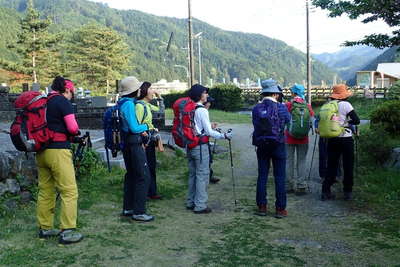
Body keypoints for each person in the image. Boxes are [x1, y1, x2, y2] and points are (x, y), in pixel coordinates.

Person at [36, 76, 83, 244]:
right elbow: (72, 127)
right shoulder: (63, 102)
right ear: (67, 89)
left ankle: (45, 228)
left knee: (45, 190)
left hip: (41, 151)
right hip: (58, 151)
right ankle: (67, 230)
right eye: (73, 90)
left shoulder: (44, 101)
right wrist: (76, 134)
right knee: (69, 191)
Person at [186, 84, 232, 214]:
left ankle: (190, 201)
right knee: (202, 175)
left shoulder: (190, 108)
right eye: (205, 93)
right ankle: (200, 205)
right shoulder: (202, 110)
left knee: (192, 175)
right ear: (200, 95)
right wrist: (224, 136)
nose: (206, 95)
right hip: (200, 147)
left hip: (190, 144)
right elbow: (208, 132)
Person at [253, 79, 290, 218]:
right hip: (278, 144)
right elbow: (288, 120)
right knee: (279, 177)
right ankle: (280, 209)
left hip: (261, 146)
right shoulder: (281, 107)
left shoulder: (256, 108)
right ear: (275, 94)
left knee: (262, 175)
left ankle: (262, 206)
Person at [119, 76, 154, 222]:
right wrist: (148, 127)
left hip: (127, 143)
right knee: (143, 176)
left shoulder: (122, 103)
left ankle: (129, 208)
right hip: (134, 142)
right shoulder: (128, 105)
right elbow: (134, 127)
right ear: (135, 90)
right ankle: (139, 212)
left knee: (132, 175)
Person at [321, 84, 360, 201]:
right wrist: (346, 123)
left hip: (332, 138)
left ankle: (325, 191)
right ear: (343, 95)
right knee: (348, 165)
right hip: (346, 139)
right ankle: (347, 192)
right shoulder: (346, 105)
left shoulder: (328, 105)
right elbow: (356, 120)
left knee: (331, 165)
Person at [285, 84, 315, 195]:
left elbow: (283, 119)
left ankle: (289, 186)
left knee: (289, 161)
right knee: (301, 161)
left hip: (289, 137)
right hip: (304, 139)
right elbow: (313, 121)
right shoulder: (308, 106)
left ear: (294, 93)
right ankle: (301, 186)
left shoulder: (288, 105)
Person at [136, 81, 163, 200]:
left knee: (151, 165)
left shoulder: (147, 105)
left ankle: (152, 192)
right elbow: (136, 124)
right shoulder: (139, 106)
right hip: (144, 140)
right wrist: (144, 135)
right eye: (151, 89)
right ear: (144, 91)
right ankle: (146, 193)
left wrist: (160, 98)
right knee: (145, 167)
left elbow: (160, 111)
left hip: (150, 139)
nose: (153, 91)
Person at [204, 96, 220, 184]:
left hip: (203, 139)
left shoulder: (202, 111)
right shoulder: (203, 111)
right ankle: (208, 177)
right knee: (208, 158)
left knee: (209, 158)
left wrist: (210, 125)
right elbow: (207, 131)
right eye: (208, 102)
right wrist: (222, 135)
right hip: (202, 140)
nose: (210, 104)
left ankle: (209, 176)